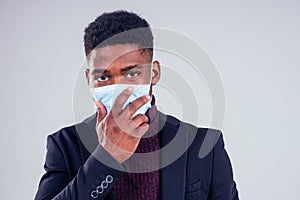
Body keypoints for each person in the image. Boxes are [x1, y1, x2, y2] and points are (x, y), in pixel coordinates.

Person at [35, 10, 239, 200]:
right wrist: (107, 158)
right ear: (89, 79)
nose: (118, 89)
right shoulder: (64, 145)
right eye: (104, 77)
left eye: (131, 74)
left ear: (154, 73)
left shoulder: (204, 145)